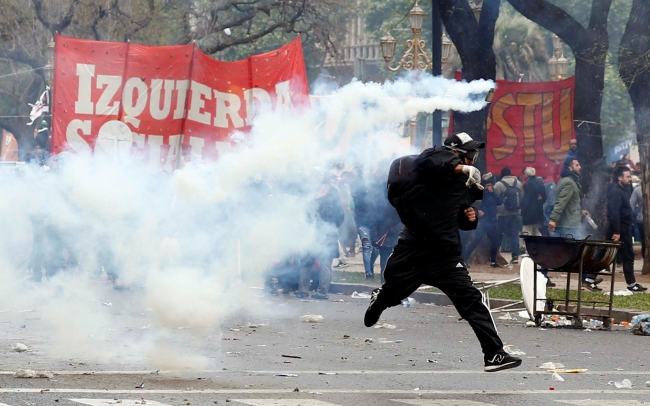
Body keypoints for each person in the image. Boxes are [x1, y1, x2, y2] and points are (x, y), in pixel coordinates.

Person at [364, 132, 522, 373]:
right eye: (467, 154)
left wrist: (469, 219)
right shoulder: (427, 168)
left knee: (471, 301)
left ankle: (494, 354)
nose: (472, 160)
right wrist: (458, 168)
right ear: (454, 153)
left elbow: (456, 218)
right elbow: (433, 159)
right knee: (393, 293)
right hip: (414, 252)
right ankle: (381, 298)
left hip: (446, 256)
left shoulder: (461, 187)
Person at [548, 158, 601, 291]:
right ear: (570, 168)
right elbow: (561, 202)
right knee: (576, 252)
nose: (580, 167)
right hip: (569, 226)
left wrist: (580, 213)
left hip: (570, 223)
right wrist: (554, 219)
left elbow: (569, 204)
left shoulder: (569, 181)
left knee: (560, 252)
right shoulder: (569, 183)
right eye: (577, 165)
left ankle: (585, 279)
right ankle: (585, 279)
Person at [296, 175, 344, 300]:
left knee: (308, 264)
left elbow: (306, 216)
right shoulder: (334, 198)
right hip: (326, 234)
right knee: (322, 265)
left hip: (314, 234)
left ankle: (303, 290)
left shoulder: (314, 197)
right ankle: (321, 292)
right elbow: (340, 218)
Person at [607, 167, 647, 292]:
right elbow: (615, 213)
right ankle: (631, 284)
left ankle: (589, 278)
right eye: (627, 177)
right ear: (620, 178)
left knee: (608, 254)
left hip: (623, 227)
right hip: (621, 228)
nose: (630, 179)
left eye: (630, 177)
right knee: (626, 255)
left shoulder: (623, 190)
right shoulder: (616, 192)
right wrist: (617, 231)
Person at [464, 175, 502, 268]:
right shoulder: (481, 193)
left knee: (495, 242)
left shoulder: (492, 193)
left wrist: (493, 193)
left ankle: (493, 261)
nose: (489, 187)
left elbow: (499, 202)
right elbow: (473, 202)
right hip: (483, 221)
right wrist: (477, 210)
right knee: (476, 241)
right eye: (487, 185)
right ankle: (464, 259)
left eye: (490, 185)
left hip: (492, 221)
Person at [350, 167, 379, 279]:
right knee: (367, 247)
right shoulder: (359, 195)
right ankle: (368, 272)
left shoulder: (375, 194)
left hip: (375, 223)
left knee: (376, 248)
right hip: (363, 223)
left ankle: (370, 266)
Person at [494, 168, 523, 264]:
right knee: (514, 234)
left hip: (503, 213)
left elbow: (495, 198)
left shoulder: (499, 184)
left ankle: (495, 253)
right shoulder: (518, 183)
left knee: (499, 234)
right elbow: (522, 196)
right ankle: (515, 256)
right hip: (516, 212)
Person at [521, 167, 546, 238]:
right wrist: (539, 203)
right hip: (538, 211)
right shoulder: (540, 183)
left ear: (527, 174)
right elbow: (544, 197)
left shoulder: (527, 185)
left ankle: (528, 248)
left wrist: (522, 211)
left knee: (526, 230)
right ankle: (541, 245)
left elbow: (526, 199)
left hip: (528, 212)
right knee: (535, 230)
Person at [630, 181, 645, 255]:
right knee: (644, 242)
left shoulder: (637, 190)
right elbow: (631, 205)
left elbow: (631, 205)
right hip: (642, 220)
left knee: (644, 242)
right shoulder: (638, 190)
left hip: (641, 219)